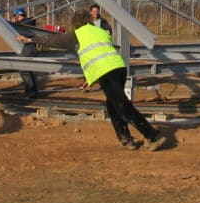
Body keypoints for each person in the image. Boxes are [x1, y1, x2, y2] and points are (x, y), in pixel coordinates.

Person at [18, 9, 166, 151]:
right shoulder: (100, 31)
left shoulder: (78, 34)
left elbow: (55, 40)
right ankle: (125, 139)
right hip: (119, 67)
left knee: (122, 105)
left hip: (105, 71)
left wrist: (31, 39)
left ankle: (152, 135)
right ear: (89, 20)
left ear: (75, 23)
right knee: (112, 104)